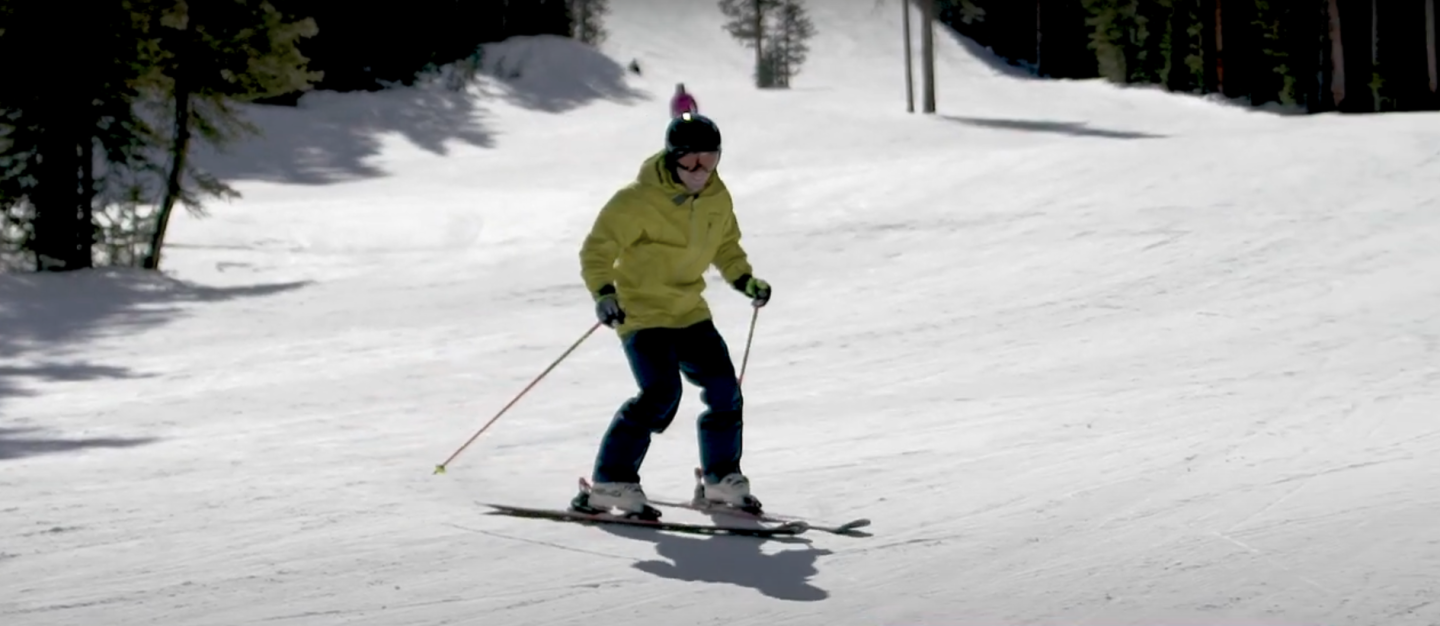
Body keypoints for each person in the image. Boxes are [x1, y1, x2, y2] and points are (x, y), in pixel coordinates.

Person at [571, 113, 772, 519]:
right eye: (690, 161)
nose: (700, 171)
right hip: (642, 314)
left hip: (689, 312)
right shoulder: (636, 200)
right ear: (672, 157)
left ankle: (720, 478)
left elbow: (726, 246)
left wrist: (744, 279)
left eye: (709, 160)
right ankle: (610, 483)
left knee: (725, 391)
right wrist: (605, 294)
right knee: (660, 395)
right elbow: (597, 250)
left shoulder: (717, 197)